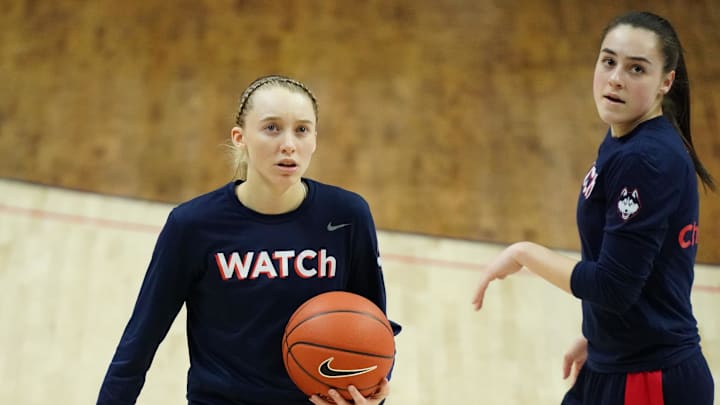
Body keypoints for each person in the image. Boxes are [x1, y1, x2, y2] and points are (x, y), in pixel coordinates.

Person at [97, 74, 401, 405]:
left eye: (302, 129)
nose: (288, 144)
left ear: (315, 138)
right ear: (240, 137)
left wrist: (371, 393)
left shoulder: (347, 215)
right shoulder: (194, 225)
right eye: (272, 127)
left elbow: (374, 326)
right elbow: (141, 338)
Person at [472, 11, 715, 404]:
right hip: (615, 363)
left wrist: (525, 253)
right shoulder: (626, 138)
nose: (616, 77)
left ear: (665, 83)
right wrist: (598, 336)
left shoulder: (645, 159)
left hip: (649, 382)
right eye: (609, 61)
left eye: (637, 69)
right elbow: (643, 267)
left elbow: (613, 287)